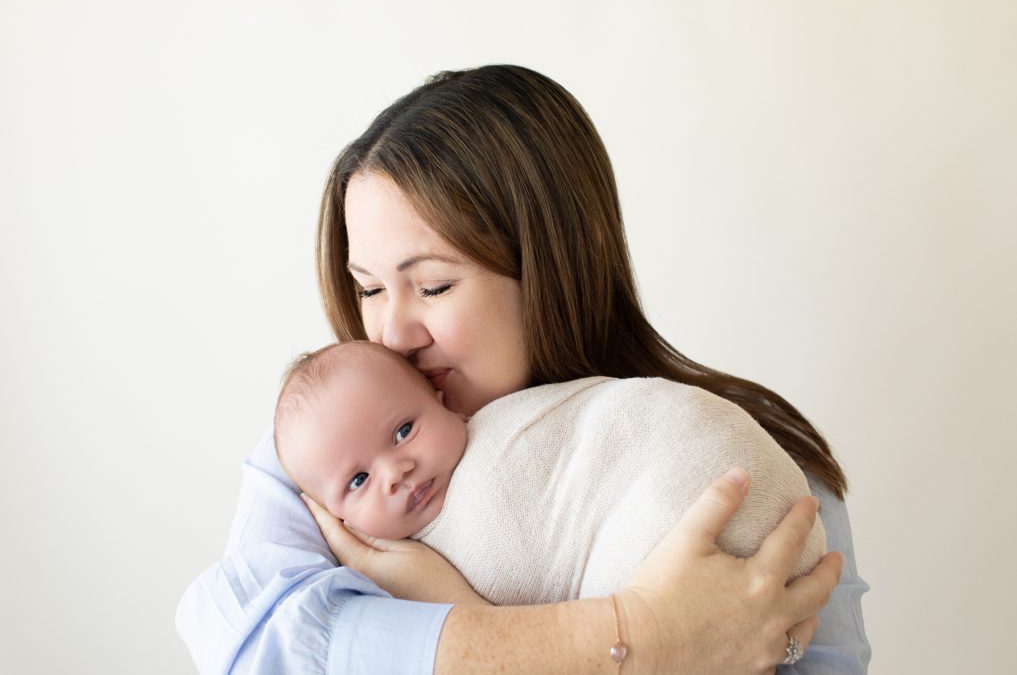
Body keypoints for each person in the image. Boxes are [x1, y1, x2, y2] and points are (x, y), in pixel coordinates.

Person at [177, 64, 869, 673]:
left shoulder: (748, 459)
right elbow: (259, 649)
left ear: (564, 256)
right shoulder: (329, 446)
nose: (390, 331)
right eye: (368, 287)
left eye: (434, 285)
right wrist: (636, 637)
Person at [273, 340, 827, 606]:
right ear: (333, 516)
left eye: (402, 432)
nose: (397, 471)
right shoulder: (338, 540)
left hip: (714, 485)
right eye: (358, 481)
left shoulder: (509, 434)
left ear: (442, 401)